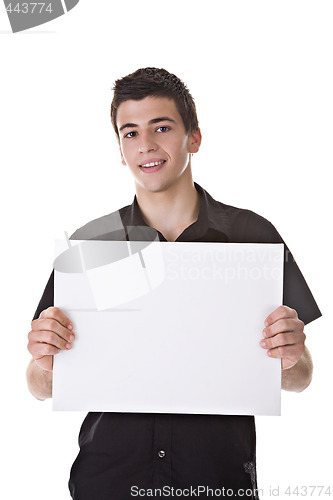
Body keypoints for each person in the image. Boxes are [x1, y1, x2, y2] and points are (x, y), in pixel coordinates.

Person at [26, 67, 321, 499]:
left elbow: (301, 377)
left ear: (194, 138)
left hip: (216, 482)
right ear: (120, 148)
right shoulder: (93, 243)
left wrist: (292, 355)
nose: (145, 144)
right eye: (130, 133)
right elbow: (38, 385)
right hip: (107, 482)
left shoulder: (252, 237)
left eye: (161, 127)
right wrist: (44, 360)